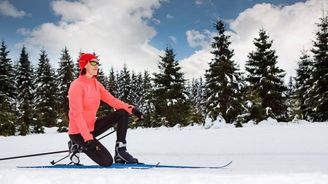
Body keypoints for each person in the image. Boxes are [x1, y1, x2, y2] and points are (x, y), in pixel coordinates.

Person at [67, 53, 144, 166]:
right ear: (84, 65)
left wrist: (132, 110)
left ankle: (120, 150)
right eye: (93, 62)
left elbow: (112, 100)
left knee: (122, 113)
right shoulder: (76, 86)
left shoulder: (96, 84)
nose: (96, 65)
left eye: (97, 63)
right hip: (79, 132)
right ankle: (76, 145)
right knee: (106, 161)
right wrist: (88, 138)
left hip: (92, 127)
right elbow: (77, 114)